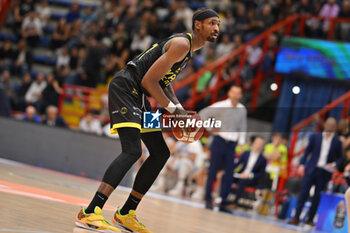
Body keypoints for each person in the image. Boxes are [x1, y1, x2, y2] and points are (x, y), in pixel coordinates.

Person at [75, 8, 220, 233]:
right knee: (132, 151)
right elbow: (149, 81)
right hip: (126, 88)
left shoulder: (187, 50)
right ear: (198, 25)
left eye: (218, 24)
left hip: (141, 98)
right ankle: (90, 212)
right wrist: (174, 111)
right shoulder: (182, 44)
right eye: (212, 23)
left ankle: (126, 213)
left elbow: (163, 82)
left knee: (161, 152)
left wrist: (179, 109)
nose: (217, 28)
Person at [199, 85, 247, 212]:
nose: (236, 95)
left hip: (231, 144)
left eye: (238, 93)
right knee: (212, 171)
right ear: (230, 93)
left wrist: (241, 142)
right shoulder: (221, 105)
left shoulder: (242, 109)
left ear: (240, 95)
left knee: (229, 174)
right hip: (219, 141)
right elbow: (203, 114)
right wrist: (210, 128)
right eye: (234, 92)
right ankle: (208, 199)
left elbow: (242, 127)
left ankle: (223, 201)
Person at [289, 117, 343, 226]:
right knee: (303, 193)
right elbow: (307, 151)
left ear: (335, 127)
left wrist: (334, 164)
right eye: (328, 124)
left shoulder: (337, 141)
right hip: (311, 169)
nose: (330, 127)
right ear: (324, 125)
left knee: (317, 197)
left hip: (324, 172)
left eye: (332, 125)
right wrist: (302, 165)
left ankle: (310, 219)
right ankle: (296, 218)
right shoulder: (315, 137)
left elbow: (340, 158)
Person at [231, 136, 267, 208]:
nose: (258, 145)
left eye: (260, 144)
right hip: (241, 175)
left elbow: (261, 174)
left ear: (262, 146)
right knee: (227, 177)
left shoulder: (263, 159)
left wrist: (249, 175)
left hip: (252, 179)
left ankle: (235, 203)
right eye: (257, 143)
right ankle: (222, 199)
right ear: (253, 143)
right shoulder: (246, 153)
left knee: (243, 181)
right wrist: (230, 171)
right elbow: (236, 165)